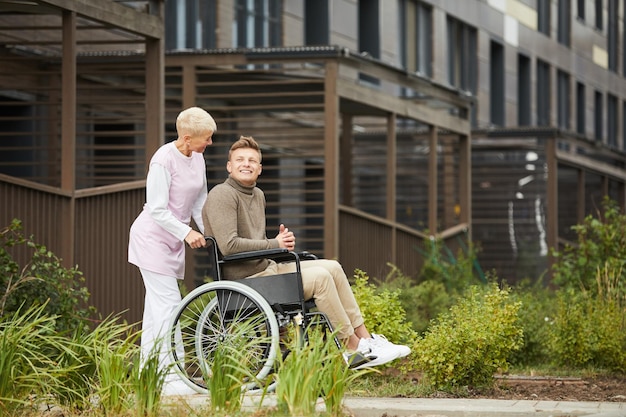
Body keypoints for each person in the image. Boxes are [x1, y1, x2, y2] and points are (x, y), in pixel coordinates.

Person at [202, 135, 411, 370]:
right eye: (240, 159)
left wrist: (280, 245)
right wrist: (274, 244)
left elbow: (258, 242)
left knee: (332, 267)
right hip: (244, 281)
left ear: (260, 169)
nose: (246, 164)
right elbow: (229, 246)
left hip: (265, 269)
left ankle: (365, 340)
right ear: (229, 166)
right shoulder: (222, 195)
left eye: (252, 160)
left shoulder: (257, 195)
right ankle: (351, 348)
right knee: (320, 278)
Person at [128, 106, 216, 396]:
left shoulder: (198, 157)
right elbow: (156, 208)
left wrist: (209, 232)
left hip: (172, 242)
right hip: (151, 239)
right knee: (169, 307)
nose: (210, 143)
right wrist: (186, 232)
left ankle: (149, 375)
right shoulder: (163, 160)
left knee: (156, 312)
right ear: (188, 138)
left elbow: (199, 202)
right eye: (207, 138)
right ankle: (172, 379)